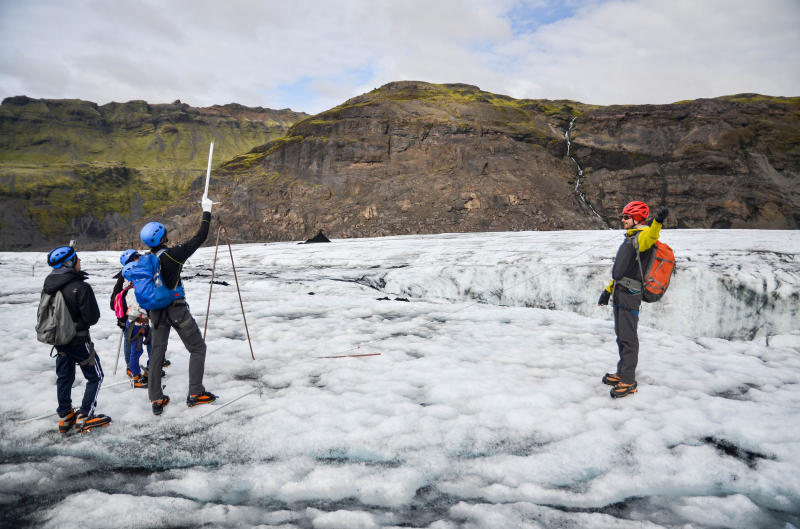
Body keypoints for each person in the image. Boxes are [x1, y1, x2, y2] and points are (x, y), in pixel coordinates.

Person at [141, 197, 217, 415]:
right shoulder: (173, 256)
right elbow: (200, 237)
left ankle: (156, 399)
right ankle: (195, 392)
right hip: (176, 310)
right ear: (163, 237)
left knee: (156, 355)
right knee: (197, 348)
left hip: (156, 313)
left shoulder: (145, 261)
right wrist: (206, 211)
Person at [598, 201, 669, 398]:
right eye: (624, 216)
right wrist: (607, 290)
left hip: (630, 295)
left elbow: (653, 234)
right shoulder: (629, 239)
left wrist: (658, 221)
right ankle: (621, 373)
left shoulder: (642, 237)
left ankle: (628, 381)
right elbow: (620, 273)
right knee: (621, 335)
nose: (623, 220)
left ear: (637, 219)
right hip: (620, 291)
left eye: (627, 217)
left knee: (628, 338)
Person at [42, 246, 112, 433]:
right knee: (95, 376)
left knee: (64, 378)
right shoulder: (81, 286)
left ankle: (65, 417)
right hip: (79, 341)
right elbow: (92, 318)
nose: (80, 260)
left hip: (59, 341)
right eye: (76, 258)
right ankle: (85, 415)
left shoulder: (49, 283)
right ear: (69, 263)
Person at [121, 262, 152, 389]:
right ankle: (135, 375)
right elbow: (141, 307)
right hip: (137, 323)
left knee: (152, 345)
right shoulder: (131, 291)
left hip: (142, 322)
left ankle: (149, 369)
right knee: (136, 350)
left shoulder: (136, 288)